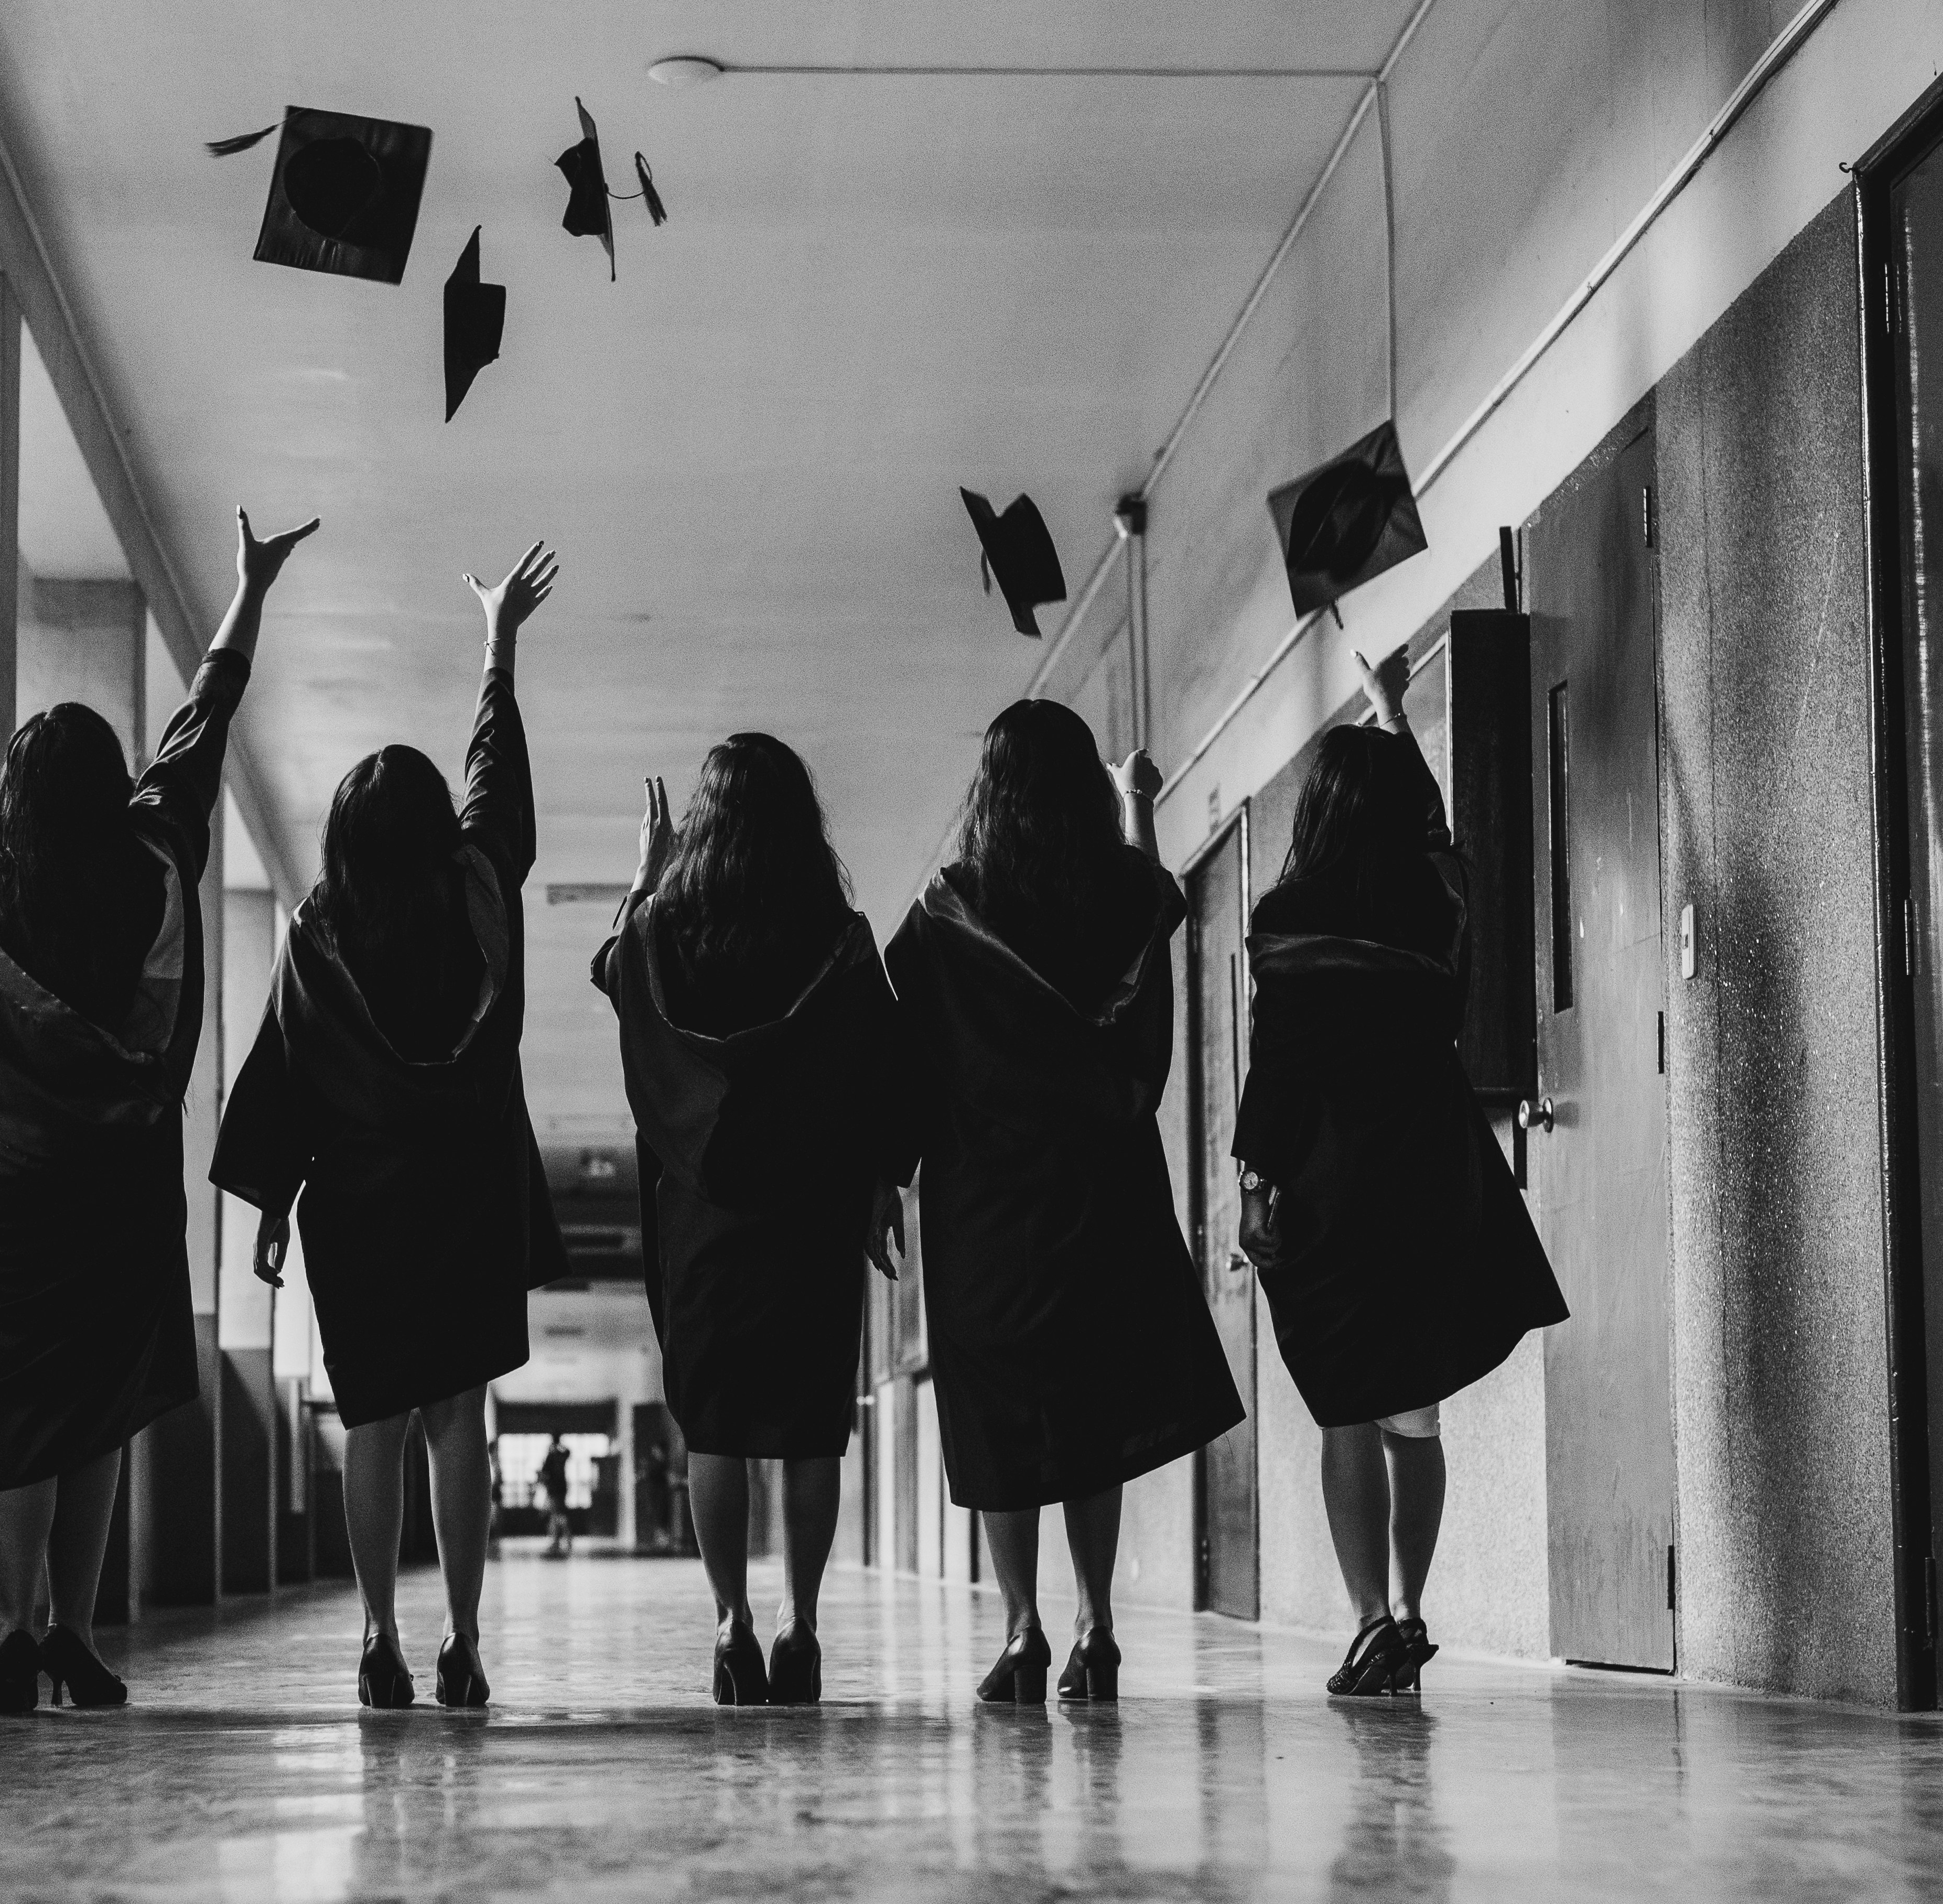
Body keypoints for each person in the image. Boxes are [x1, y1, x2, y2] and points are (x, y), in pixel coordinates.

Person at [0, 507, 319, 1717]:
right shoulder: (155, 859)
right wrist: (249, 589)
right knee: (95, 1410)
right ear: (108, 785)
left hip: (0, 1206)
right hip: (118, 1196)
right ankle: (73, 1628)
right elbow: (205, 716)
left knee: (12, 1414)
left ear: (12, 797)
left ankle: (6, 1630)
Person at [211, 544, 567, 1711]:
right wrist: (496, 643)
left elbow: (286, 1066)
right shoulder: (479, 892)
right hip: (469, 1195)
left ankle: (378, 1636)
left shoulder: (317, 934)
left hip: (360, 1209)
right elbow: (493, 782)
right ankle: (463, 1640)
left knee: (375, 1420)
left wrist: (272, 1201)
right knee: (460, 1418)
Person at [883, 699, 1244, 1705]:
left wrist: (884, 1174)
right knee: (1091, 1413)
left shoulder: (944, 917)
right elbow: (1152, 938)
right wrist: (1139, 809)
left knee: (998, 1417)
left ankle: (1021, 1629)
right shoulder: (1116, 889)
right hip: (1101, 1192)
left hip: (985, 1205)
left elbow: (910, 1067)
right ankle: (1095, 1623)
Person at [1234, 652, 1568, 1697]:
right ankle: (1412, 1611)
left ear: (1316, 812)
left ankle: (1369, 1619)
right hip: (1429, 1169)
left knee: (1346, 1405)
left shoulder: (1287, 918)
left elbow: (1280, 1061)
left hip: (1329, 1178)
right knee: (1413, 1413)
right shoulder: (1436, 901)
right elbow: (1437, 834)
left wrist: (1255, 1184)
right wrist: (1395, 714)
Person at [593, 735, 905, 1705]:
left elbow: (615, 975)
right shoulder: (839, 937)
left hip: (703, 1211)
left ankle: (730, 1623)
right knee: (811, 1428)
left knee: (715, 1427)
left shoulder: (666, 928)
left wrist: (645, 878)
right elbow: (880, 1062)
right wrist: (882, 1182)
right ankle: (799, 1622)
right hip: (811, 1209)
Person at [537, 1435, 573, 1558]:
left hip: (554, 1490)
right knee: (558, 1514)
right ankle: (561, 1539)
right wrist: (560, 1445)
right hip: (562, 1489)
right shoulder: (561, 1456)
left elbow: (544, 1473)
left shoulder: (551, 1456)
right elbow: (568, 1452)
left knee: (557, 1515)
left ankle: (560, 1539)